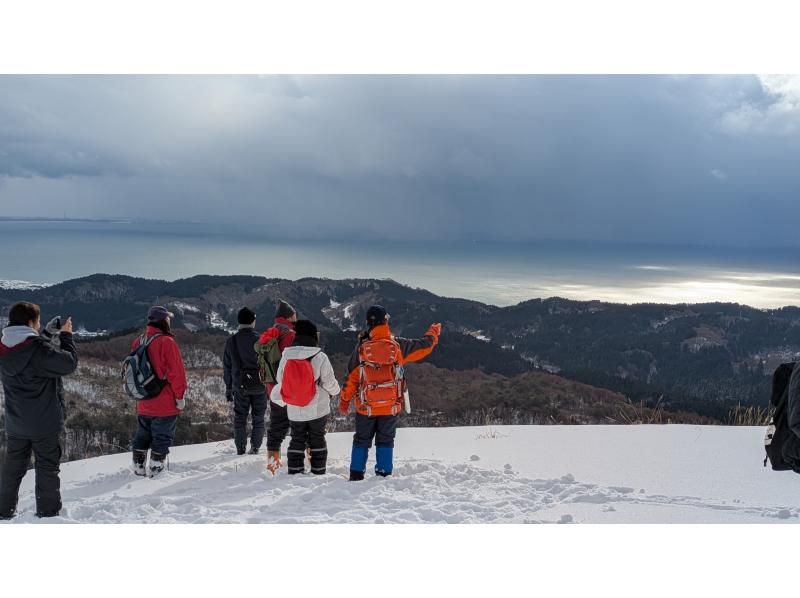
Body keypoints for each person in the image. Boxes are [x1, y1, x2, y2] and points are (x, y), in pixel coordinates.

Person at [339, 306, 441, 481]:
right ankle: (384, 475)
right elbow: (424, 346)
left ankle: (356, 475)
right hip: (390, 406)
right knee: (386, 441)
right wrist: (433, 333)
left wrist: (344, 400)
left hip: (365, 407)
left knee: (361, 440)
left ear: (368, 323)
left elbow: (352, 378)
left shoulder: (361, 347)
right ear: (386, 320)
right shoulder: (398, 345)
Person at [0, 302, 78, 519]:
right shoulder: (38, 350)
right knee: (47, 469)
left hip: (16, 423)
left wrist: (46, 335)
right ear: (30, 322)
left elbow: (25, 354)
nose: (39, 324)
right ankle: (48, 515)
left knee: (12, 470)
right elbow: (69, 363)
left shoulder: (4, 348)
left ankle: (3, 512)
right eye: (38, 321)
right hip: (44, 423)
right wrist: (66, 336)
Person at [270, 319, 340, 474]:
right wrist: (335, 392)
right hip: (317, 407)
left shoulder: (286, 356)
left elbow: (280, 380)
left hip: (295, 407)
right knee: (317, 438)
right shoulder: (320, 356)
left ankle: (295, 471)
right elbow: (329, 383)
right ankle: (318, 471)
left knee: (296, 438)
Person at [130, 306, 187, 477]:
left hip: (143, 400)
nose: (169, 321)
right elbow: (177, 373)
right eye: (168, 318)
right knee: (162, 437)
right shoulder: (167, 342)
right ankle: (156, 471)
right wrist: (180, 397)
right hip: (164, 403)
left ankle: (138, 467)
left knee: (142, 435)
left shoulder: (138, 341)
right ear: (163, 321)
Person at [258, 300, 297, 472]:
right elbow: (291, 362)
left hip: (272, 387)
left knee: (276, 425)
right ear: (289, 317)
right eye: (294, 315)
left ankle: (272, 464)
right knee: (301, 425)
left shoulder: (270, 334)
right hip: (288, 387)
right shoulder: (289, 335)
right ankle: (306, 461)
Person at [223, 307, 267, 455]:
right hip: (260, 384)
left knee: (240, 418)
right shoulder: (262, 340)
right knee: (258, 417)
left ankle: (240, 449)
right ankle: (255, 447)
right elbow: (269, 365)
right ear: (253, 321)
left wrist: (229, 387)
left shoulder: (231, 341)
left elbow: (227, 366)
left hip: (239, 385)